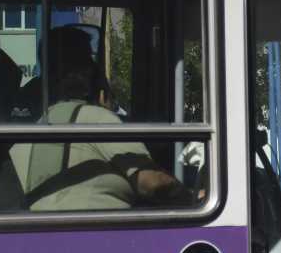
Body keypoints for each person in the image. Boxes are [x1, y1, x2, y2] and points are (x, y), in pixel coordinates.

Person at [13, 26, 195, 211]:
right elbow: (152, 183)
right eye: (90, 61)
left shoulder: (24, 129)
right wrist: (194, 199)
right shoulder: (95, 118)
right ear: (85, 73)